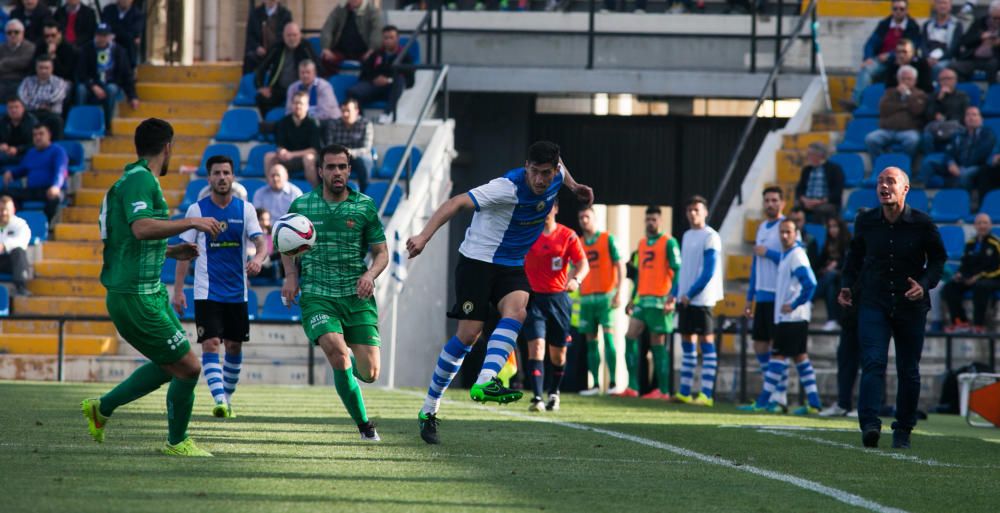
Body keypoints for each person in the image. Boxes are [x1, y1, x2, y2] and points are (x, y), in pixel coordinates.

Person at [405, 141, 593, 444]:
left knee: (518, 310)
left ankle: (486, 380)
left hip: (511, 265)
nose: (540, 180)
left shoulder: (557, 176)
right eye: (534, 172)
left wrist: (573, 186)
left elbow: (563, 168)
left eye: (546, 173)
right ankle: (429, 409)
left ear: (555, 170)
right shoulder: (506, 187)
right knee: (468, 335)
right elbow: (455, 203)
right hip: (477, 261)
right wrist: (424, 237)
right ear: (526, 167)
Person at [82, 118, 224, 457]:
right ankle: (177, 442)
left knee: (170, 364)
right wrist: (192, 221)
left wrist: (173, 251)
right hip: (134, 296)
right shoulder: (140, 181)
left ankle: (102, 409)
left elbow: (129, 238)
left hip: (149, 291)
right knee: (189, 366)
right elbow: (141, 229)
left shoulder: (135, 180)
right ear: (168, 147)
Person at [280, 144, 389, 442]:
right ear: (320, 171)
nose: (337, 172)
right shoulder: (302, 206)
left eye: (342, 167)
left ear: (349, 170)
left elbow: (382, 253)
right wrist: (291, 277)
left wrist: (370, 274)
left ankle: (350, 367)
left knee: (370, 374)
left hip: (356, 295)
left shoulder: (364, 206)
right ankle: (365, 427)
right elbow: (284, 243)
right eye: (331, 167)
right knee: (338, 354)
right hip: (318, 295)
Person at [839, 166, 946, 449]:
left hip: (910, 305)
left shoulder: (922, 224)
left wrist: (923, 284)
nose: (884, 186)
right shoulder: (865, 221)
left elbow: (938, 260)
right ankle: (870, 425)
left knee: (908, 369)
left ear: (905, 189)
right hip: (873, 301)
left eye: (891, 181)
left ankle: (903, 430)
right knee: (873, 361)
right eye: (879, 182)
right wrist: (847, 284)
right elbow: (854, 257)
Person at [172, 155, 268, 419]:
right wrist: (178, 290)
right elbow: (184, 252)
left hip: (238, 292)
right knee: (211, 343)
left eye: (226, 172)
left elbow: (261, 242)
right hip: (207, 292)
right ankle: (219, 401)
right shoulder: (197, 210)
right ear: (209, 178)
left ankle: (226, 396)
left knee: (234, 347)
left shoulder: (245, 209)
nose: (222, 177)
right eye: (217, 173)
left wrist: (258, 259)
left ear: (233, 177)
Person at [741, 219, 820, 414]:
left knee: (777, 356)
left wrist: (794, 304)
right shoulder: (788, 255)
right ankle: (814, 403)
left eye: (789, 232)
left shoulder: (796, 255)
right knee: (800, 358)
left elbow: (811, 283)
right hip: (795, 317)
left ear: (796, 234)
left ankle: (763, 402)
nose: (784, 236)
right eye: (782, 232)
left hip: (792, 317)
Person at [521, 200, 588, 412]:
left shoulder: (568, 235)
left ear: (556, 208)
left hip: (559, 299)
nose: (545, 210)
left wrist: (576, 280)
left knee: (557, 354)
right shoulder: (528, 234)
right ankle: (537, 398)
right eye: (540, 206)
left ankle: (554, 392)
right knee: (537, 347)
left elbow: (582, 264)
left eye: (549, 206)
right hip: (534, 299)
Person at [622, 206, 681, 400]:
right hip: (643, 301)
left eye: (654, 220)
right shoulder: (641, 243)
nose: (650, 223)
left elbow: (677, 271)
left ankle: (663, 390)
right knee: (629, 337)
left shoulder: (669, 242)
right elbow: (639, 275)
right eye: (648, 220)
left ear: (660, 221)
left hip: (660, 301)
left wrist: (672, 297)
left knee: (658, 343)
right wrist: (632, 298)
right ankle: (633, 386)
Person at [674, 196, 724, 407]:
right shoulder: (686, 235)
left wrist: (691, 292)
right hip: (686, 299)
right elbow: (684, 270)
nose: (693, 213)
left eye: (697, 209)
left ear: (705, 212)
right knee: (687, 342)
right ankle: (685, 391)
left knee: (706, 342)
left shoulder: (711, 236)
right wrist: (675, 292)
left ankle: (706, 394)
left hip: (702, 299)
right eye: (690, 210)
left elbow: (709, 271)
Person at [577, 205, 626, 396]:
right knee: (591, 341)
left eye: (587, 216)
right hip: (587, 299)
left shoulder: (608, 239)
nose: (584, 220)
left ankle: (613, 383)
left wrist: (619, 292)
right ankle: (595, 385)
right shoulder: (579, 242)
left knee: (609, 339)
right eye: (581, 217)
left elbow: (621, 265)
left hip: (606, 297)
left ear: (594, 218)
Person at [847, 0, 923, 108]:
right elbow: (871, 43)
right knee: (867, 69)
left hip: (901, 61)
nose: (898, 12)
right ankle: (856, 102)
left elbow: (911, 47)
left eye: (901, 9)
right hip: (881, 60)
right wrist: (868, 57)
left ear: (906, 11)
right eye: (895, 9)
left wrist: (891, 55)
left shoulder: (913, 27)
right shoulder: (884, 24)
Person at [745, 186, 786, 385]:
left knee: (776, 346)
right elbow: (755, 265)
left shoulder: (787, 227)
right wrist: (749, 296)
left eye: (774, 200)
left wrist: (768, 253)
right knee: (759, 345)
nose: (770, 204)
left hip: (778, 294)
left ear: (782, 203)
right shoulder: (762, 227)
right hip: (761, 295)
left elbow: (794, 259)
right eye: (767, 200)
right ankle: (770, 389)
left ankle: (778, 394)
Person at [942, 213, 1000, 333]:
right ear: (975, 225)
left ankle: (979, 324)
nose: (982, 226)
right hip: (970, 278)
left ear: (990, 225)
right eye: (979, 223)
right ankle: (960, 322)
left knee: (981, 287)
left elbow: (997, 268)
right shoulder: (970, 244)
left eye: (985, 223)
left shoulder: (995, 243)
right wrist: (960, 274)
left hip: (991, 278)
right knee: (950, 287)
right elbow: (964, 264)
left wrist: (978, 277)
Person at [77, 23, 140, 131]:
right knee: (81, 90)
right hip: (92, 83)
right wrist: (93, 86)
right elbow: (81, 73)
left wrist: (132, 96)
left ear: (110, 37)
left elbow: (126, 75)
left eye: (104, 35)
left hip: (111, 82)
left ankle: (107, 125)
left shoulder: (119, 51)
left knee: (111, 89)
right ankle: (80, 122)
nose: (101, 38)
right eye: (99, 35)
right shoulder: (86, 49)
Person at [918, 106, 995, 192]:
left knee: (965, 175)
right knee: (930, 161)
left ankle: (963, 198)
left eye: (974, 115)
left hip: (976, 166)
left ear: (981, 119)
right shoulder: (959, 134)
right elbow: (949, 152)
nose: (971, 117)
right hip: (956, 166)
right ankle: (919, 187)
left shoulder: (987, 134)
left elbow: (981, 154)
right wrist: (951, 163)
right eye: (968, 115)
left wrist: (962, 168)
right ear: (964, 119)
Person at [348, 25, 414, 123]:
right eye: (386, 38)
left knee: (399, 81)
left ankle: (386, 115)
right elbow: (364, 73)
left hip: (391, 88)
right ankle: (360, 119)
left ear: (397, 39)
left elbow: (410, 80)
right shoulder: (376, 54)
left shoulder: (405, 56)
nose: (388, 41)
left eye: (391, 38)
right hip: (375, 86)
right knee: (353, 92)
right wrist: (374, 79)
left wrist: (389, 80)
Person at [2, 124, 67, 222]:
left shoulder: (58, 151)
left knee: (54, 198)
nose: (38, 137)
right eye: (35, 135)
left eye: (41, 134)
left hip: (49, 190)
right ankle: (17, 222)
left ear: (49, 135)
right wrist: (11, 173)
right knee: (5, 193)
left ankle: (43, 224)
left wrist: (56, 186)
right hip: (32, 190)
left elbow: (60, 171)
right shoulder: (31, 153)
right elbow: (22, 169)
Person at [864, 65, 928, 160]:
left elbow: (917, 111)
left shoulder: (920, 94)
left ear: (914, 81)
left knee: (913, 140)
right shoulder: (890, 92)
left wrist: (907, 95)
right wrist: (904, 106)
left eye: (909, 79)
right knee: (870, 139)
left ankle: (903, 163)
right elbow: (884, 109)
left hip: (909, 130)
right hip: (887, 130)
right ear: (898, 80)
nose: (905, 81)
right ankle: (882, 163)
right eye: (903, 79)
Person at [254, 22, 317, 116]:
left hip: (301, 89)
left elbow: (317, 67)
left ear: (300, 35)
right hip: (279, 89)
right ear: (283, 36)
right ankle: (269, 121)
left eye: (294, 35)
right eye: (289, 35)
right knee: (261, 98)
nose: (292, 38)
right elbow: (262, 67)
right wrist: (261, 87)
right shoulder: (277, 47)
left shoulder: (306, 47)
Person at [265, 91, 320, 185]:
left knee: (309, 158)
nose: (297, 106)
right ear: (291, 105)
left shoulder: (313, 123)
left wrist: (292, 154)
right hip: (287, 158)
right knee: (269, 156)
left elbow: (314, 150)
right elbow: (280, 144)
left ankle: (317, 193)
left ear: (307, 106)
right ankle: (270, 188)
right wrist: (281, 151)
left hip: (304, 158)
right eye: (295, 103)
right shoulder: (283, 122)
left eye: (301, 103)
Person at [321, 98, 373, 193]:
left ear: (356, 111)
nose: (345, 114)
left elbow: (366, 148)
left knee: (364, 162)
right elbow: (329, 145)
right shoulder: (334, 124)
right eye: (343, 111)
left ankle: (364, 194)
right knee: (322, 161)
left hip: (357, 157)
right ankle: (325, 194)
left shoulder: (365, 124)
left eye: (348, 111)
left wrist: (349, 152)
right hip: (338, 156)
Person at [319, 0, 383, 75]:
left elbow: (377, 31)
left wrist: (372, 49)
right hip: (341, 51)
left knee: (373, 60)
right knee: (326, 59)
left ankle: (363, 83)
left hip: (364, 51)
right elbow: (328, 28)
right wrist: (326, 48)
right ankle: (330, 83)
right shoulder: (340, 9)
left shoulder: (372, 11)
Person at [815, 217, 852, 331]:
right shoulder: (828, 243)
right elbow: (818, 264)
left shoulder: (848, 242)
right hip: (831, 280)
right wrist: (825, 268)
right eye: (830, 227)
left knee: (830, 276)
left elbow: (849, 263)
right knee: (830, 287)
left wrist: (836, 265)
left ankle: (811, 298)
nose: (832, 230)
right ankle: (832, 320)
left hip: (843, 277)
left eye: (835, 226)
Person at [19, 55, 69, 140]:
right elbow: (23, 98)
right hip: (32, 112)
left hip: (52, 114)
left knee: (57, 121)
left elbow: (56, 97)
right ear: (36, 68)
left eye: (47, 68)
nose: (43, 71)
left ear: (52, 68)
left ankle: (55, 150)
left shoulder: (59, 82)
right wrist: (39, 106)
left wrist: (35, 100)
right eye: (41, 68)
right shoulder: (27, 81)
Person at [921, 68, 970, 153]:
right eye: (943, 79)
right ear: (939, 82)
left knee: (958, 135)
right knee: (926, 136)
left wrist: (947, 118)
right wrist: (939, 100)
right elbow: (928, 115)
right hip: (937, 127)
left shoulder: (962, 96)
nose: (946, 81)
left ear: (955, 80)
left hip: (955, 125)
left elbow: (964, 115)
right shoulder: (933, 96)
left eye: (949, 78)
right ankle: (930, 156)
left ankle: (953, 159)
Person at [952, 0, 1000, 83]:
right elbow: (965, 41)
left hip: (995, 59)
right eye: (995, 18)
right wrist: (980, 37)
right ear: (989, 15)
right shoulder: (980, 23)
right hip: (974, 58)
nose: (997, 21)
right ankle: (963, 93)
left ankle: (991, 93)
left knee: (992, 65)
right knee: (953, 67)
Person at [794, 143, 844, 222]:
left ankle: (818, 232)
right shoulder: (806, 170)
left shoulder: (834, 169)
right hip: (807, 202)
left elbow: (837, 192)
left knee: (821, 210)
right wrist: (804, 200)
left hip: (825, 203)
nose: (807, 157)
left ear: (819, 155)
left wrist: (819, 201)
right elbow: (799, 188)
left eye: (810, 154)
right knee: (795, 210)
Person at [243, 0, 292, 74]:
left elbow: (286, 35)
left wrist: (274, 49)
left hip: (278, 53)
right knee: (250, 59)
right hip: (259, 55)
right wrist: (257, 47)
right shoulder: (255, 14)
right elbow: (250, 36)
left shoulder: (285, 14)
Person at [921, 0, 964, 78]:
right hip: (929, 57)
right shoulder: (927, 24)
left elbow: (954, 47)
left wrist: (938, 59)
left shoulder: (957, 25)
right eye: (939, 3)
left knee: (938, 67)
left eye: (945, 3)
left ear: (950, 6)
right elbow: (923, 43)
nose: (942, 6)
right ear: (935, 5)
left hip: (947, 58)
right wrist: (927, 57)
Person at [0, 195, 31, 296]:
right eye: (1, 210)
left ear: (13, 210)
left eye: (6, 210)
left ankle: (21, 287)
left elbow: (22, 240)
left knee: (19, 252)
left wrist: (4, 245)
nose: (3, 213)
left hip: (11, 261)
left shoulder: (20, 224)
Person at [0, 20, 36, 101]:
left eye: (16, 32)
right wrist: (14, 64)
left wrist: (4, 62)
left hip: (21, 81)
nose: (13, 35)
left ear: (22, 33)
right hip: (2, 80)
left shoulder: (30, 47)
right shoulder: (1, 47)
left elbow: (24, 63)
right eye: (9, 32)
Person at [101, 0, 144, 68]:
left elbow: (133, 33)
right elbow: (104, 28)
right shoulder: (108, 10)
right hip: (109, 49)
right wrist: (124, 32)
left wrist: (115, 34)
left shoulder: (137, 15)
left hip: (127, 51)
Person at [0, 97, 37, 166]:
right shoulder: (2, 121)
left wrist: (18, 149)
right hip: (6, 152)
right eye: (10, 108)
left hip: (24, 154)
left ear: (23, 108)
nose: (13, 110)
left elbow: (34, 143)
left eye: (16, 107)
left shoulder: (31, 122)